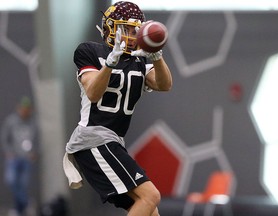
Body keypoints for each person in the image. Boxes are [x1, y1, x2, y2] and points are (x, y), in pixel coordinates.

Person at [63, 1, 172, 216]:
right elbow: (93, 93)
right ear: (111, 27)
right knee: (151, 196)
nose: (132, 34)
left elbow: (164, 84)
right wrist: (110, 63)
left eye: (136, 30)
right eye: (128, 28)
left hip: (112, 142)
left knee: (150, 209)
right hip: (92, 140)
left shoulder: (138, 60)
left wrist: (156, 56)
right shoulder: (90, 51)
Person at [1, 96, 38, 216]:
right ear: (19, 108)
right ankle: (26, 203)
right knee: (11, 180)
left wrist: (34, 152)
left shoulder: (33, 123)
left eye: (27, 109)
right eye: (23, 108)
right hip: (14, 157)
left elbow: (37, 139)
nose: (24, 111)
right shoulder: (11, 121)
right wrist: (8, 151)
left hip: (26, 158)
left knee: (23, 184)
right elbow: (4, 138)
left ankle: (18, 209)